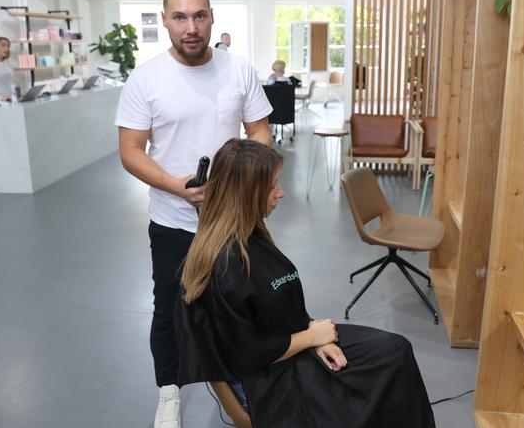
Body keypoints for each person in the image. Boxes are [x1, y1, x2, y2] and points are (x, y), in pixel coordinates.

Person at [176, 139, 437, 428]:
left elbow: (276, 310)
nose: (281, 193)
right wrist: (311, 338)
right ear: (245, 193)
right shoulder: (225, 266)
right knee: (369, 391)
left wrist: (313, 333)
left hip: (288, 345)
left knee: (395, 350)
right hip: (265, 378)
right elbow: (246, 356)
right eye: (272, 187)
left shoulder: (253, 235)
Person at [114, 0, 272, 428]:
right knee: (170, 309)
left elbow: (259, 130)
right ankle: (169, 392)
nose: (191, 27)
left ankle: (245, 386)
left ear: (212, 17)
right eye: (180, 17)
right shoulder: (146, 79)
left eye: (199, 16)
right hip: (173, 221)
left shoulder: (238, 69)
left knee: (243, 305)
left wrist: (246, 182)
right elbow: (130, 151)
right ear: (165, 21)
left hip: (235, 220)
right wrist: (174, 186)